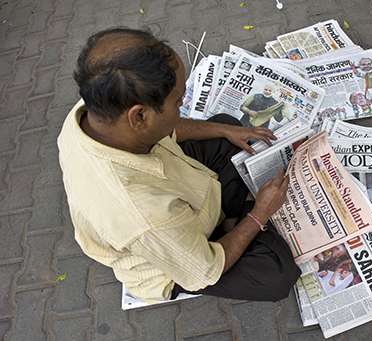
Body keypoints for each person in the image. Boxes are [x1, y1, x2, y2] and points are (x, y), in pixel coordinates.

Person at [57, 27, 301, 304]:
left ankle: (237, 217)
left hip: (183, 186)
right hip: (172, 254)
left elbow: (171, 128)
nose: (182, 105)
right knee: (276, 275)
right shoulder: (143, 215)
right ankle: (243, 218)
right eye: (178, 101)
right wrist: (260, 212)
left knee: (230, 129)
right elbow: (205, 270)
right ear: (139, 117)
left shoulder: (100, 107)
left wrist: (224, 129)